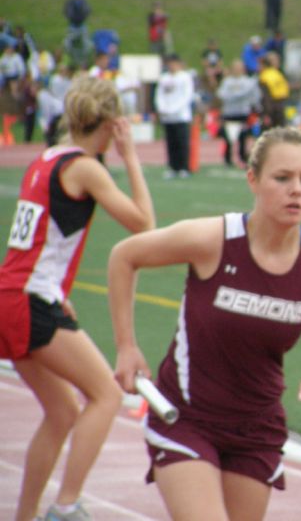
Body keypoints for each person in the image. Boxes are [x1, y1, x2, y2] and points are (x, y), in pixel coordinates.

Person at [108, 127, 301, 521]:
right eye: (282, 178)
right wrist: (127, 346)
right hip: (186, 417)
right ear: (253, 180)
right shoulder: (215, 239)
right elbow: (124, 256)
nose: (296, 190)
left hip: (256, 430)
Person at [0, 76, 155, 521]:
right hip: (29, 300)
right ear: (110, 124)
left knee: (63, 409)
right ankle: (66, 506)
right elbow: (144, 224)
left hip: (14, 296)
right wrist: (129, 157)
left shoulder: (45, 158)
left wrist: (57, 291)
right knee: (106, 394)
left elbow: (43, 238)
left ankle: (24, 516)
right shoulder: (86, 166)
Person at [155, 53, 195, 179]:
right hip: (167, 116)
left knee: (182, 142)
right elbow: (159, 95)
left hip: (180, 115)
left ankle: (183, 167)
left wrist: (173, 109)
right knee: (170, 142)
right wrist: (162, 108)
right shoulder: (164, 78)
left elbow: (187, 96)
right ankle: (173, 166)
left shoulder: (185, 77)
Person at [217, 59, 261, 168]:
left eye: (239, 68)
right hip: (229, 113)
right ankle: (227, 158)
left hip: (242, 112)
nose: (237, 70)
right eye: (235, 68)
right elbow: (221, 94)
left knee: (243, 136)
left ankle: (242, 158)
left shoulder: (247, 82)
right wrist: (236, 96)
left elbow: (254, 96)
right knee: (228, 137)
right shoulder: (227, 81)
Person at [258, 50, 290, 129]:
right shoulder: (271, 75)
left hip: (276, 106)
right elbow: (266, 95)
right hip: (275, 106)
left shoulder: (272, 74)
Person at [62, 0, 91, 67]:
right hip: (73, 25)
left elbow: (87, 11)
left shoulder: (83, 2)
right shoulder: (70, 2)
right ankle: (71, 59)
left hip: (81, 25)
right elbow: (67, 12)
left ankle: (84, 60)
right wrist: (73, 18)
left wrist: (82, 17)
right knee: (68, 43)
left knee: (86, 43)